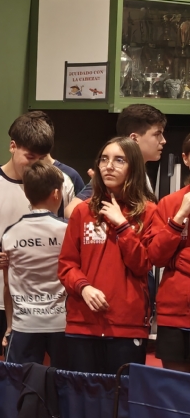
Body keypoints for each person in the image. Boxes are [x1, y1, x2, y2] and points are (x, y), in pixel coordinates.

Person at [0, 112, 74, 357]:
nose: (37, 164)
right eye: (30, 156)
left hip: (46, 310)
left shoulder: (64, 181)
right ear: (12, 147)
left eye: (42, 158)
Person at [58, 137, 156, 375]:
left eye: (119, 160)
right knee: (82, 400)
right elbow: (66, 265)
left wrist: (122, 225)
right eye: (104, 159)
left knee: (120, 401)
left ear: (133, 167)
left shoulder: (149, 212)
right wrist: (84, 288)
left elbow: (142, 264)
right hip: (83, 324)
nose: (108, 166)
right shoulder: (83, 211)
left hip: (126, 326)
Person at [1, 161, 68, 367]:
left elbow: (7, 286)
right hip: (62, 325)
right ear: (56, 194)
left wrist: (9, 326)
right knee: (66, 385)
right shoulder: (67, 230)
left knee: (21, 388)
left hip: (24, 325)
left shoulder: (10, 233)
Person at [66, 104, 166, 217]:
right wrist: (99, 191)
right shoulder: (113, 176)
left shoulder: (141, 175)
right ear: (134, 139)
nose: (163, 141)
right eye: (157, 134)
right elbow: (71, 212)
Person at [145, 133, 190, 372]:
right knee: (175, 394)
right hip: (175, 313)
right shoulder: (170, 204)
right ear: (186, 158)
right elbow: (156, 256)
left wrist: (179, 257)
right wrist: (180, 217)